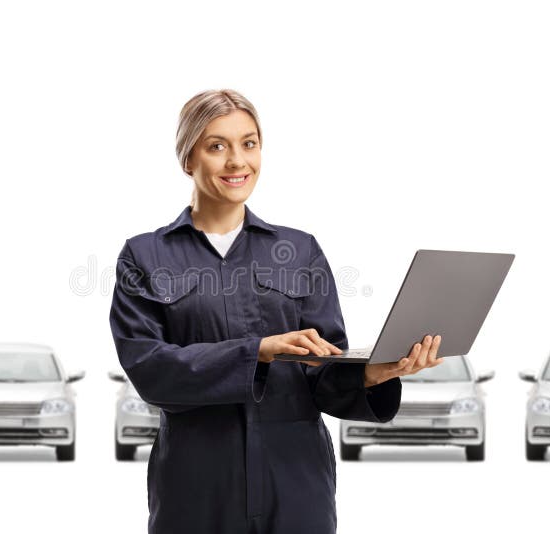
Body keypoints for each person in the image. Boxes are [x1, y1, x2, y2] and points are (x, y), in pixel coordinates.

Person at [109, 88, 443, 534]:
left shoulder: (299, 250)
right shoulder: (144, 255)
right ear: (188, 158)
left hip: (297, 482)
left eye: (249, 143)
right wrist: (257, 351)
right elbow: (149, 369)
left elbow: (323, 375)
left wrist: (371, 375)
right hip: (196, 486)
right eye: (217, 146)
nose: (237, 161)